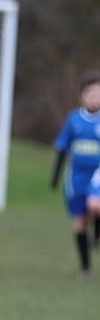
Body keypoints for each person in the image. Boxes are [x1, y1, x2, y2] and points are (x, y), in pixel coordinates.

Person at [51, 70, 100, 277]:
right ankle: (85, 267)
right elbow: (62, 148)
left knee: (95, 205)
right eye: (91, 93)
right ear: (82, 95)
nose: (95, 97)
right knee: (80, 223)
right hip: (76, 177)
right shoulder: (73, 120)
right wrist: (54, 176)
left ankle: (97, 232)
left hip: (98, 174)